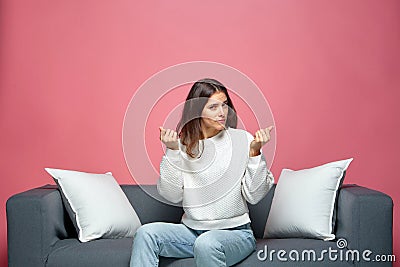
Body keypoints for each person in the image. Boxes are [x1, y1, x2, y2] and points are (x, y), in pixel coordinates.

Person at [130, 78, 274, 267]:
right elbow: (171, 195)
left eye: (224, 105)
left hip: (236, 234)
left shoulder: (243, 140)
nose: (222, 113)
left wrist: (255, 153)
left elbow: (254, 196)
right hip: (191, 233)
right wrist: (173, 152)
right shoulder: (182, 146)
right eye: (213, 107)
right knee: (146, 234)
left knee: (206, 244)